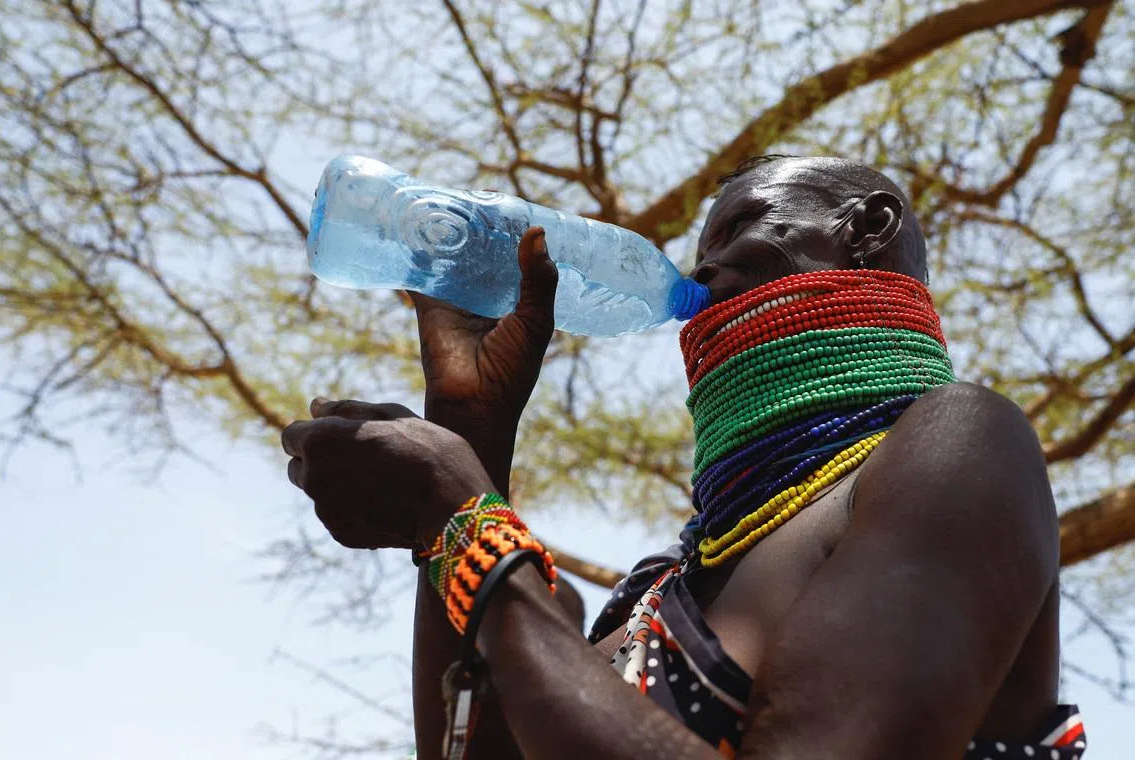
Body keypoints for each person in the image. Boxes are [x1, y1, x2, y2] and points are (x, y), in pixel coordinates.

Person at [281, 156, 1086, 760]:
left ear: (867, 226)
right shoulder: (659, 589)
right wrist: (472, 436)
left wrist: (471, 532)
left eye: (739, 228)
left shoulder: (964, 444)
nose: (702, 267)